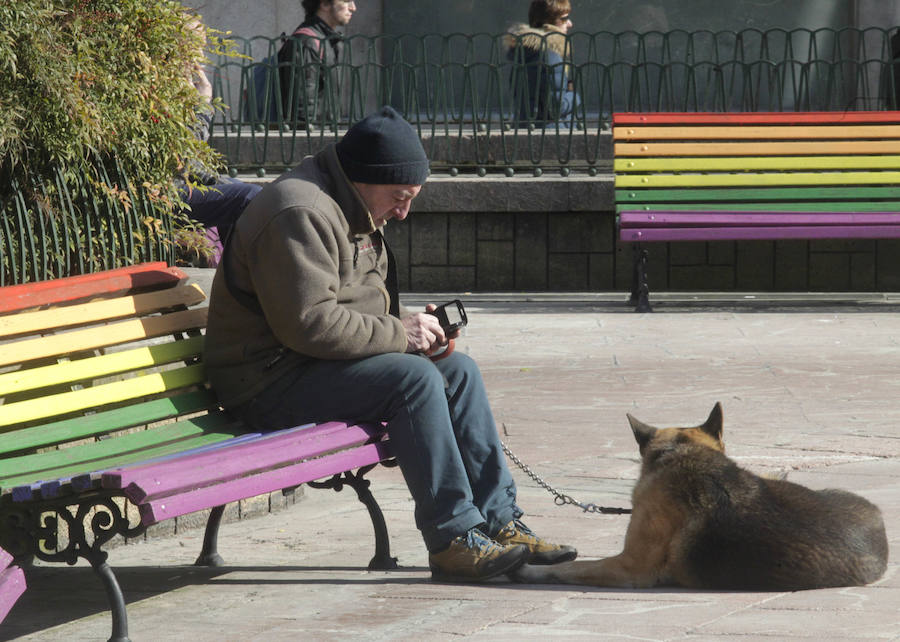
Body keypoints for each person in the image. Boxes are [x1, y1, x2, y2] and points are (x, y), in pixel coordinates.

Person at [203, 106, 577, 582]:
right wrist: (401, 336)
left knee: (457, 373)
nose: (404, 211)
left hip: (311, 367)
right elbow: (310, 324)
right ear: (364, 178)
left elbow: (356, 308)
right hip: (266, 381)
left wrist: (414, 337)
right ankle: (452, 538)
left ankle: (500, 522)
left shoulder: (351, 201)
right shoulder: (299, 212)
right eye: (400, 197)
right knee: (413, 380)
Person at [178, 18, 261, 267]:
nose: (200, 58)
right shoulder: (158, 91)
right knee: (248, 195)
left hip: (178, 185)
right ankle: (245, 278)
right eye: (195, 48)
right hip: (166, 193)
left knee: (238, 188)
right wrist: (202, 106)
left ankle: (236, 273)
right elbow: (184, 159)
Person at [277, 0, 356, 128]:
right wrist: (308, 140)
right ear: (324, 4)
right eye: (346, 1)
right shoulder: (308, 42)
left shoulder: (327, 40)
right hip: (313, 138)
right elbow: (301, 107)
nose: (353, 8)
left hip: (324, 133)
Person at [504, 0, 581, 126]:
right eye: (564, 19)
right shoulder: (549, 55)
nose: (570, 24)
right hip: (551, 135)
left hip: (526, 130)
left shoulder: (524, 52)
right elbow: (556, 108)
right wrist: (574, 96)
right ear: (548, 22)